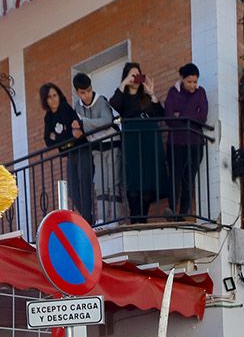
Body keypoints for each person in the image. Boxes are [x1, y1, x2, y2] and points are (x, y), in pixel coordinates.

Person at [110, 61, 164, 222]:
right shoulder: (123, 98)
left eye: (137, 75)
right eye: (131, 75)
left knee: (147, 181)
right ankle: (135, 218)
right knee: (133, 180)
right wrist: (124, 83)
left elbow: (160, 115)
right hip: (132, 145)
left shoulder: (145, 97)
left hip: (148, 144)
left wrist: (152, 93)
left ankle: (143, 218)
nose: (135, 78)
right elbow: (114, 104)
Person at [162, 63, 208, 218]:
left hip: (196, 144)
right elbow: (168, 117)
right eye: (189, 82)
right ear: (182, 79)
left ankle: (183, 213)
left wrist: (181, 115)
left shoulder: (201, 93)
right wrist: (190, 117)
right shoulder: (173, 92)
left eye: (195, 82)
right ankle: (172, 210)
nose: (193, 85)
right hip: (175, 143)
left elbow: (202, 117)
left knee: (189, 178)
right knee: (174, 177)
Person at [74, 72, 121, 223]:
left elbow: (107, 121)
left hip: (112, 143)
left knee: (112, 181)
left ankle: (114, 218)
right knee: (100, 183)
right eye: (83, 92)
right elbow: (79, 129)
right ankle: (102, 219)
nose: (87, 95)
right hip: (96, 147)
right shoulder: (77, 106)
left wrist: (84, 122)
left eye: (89, 90)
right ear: (77, 93)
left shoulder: (101, 100)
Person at [41, 82, 91, 222]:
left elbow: (76, 133)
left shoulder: (66, 108)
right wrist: (65, 136)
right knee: (72, 189)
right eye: (49, 97)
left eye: (55, 95)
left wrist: (59, 136)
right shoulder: (49, 117)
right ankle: (87, 219)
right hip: (69, 153)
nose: (53, 99)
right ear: (45, 101)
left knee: (84, 183)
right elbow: (48, 141)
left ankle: (88, 220)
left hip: (81, 149)